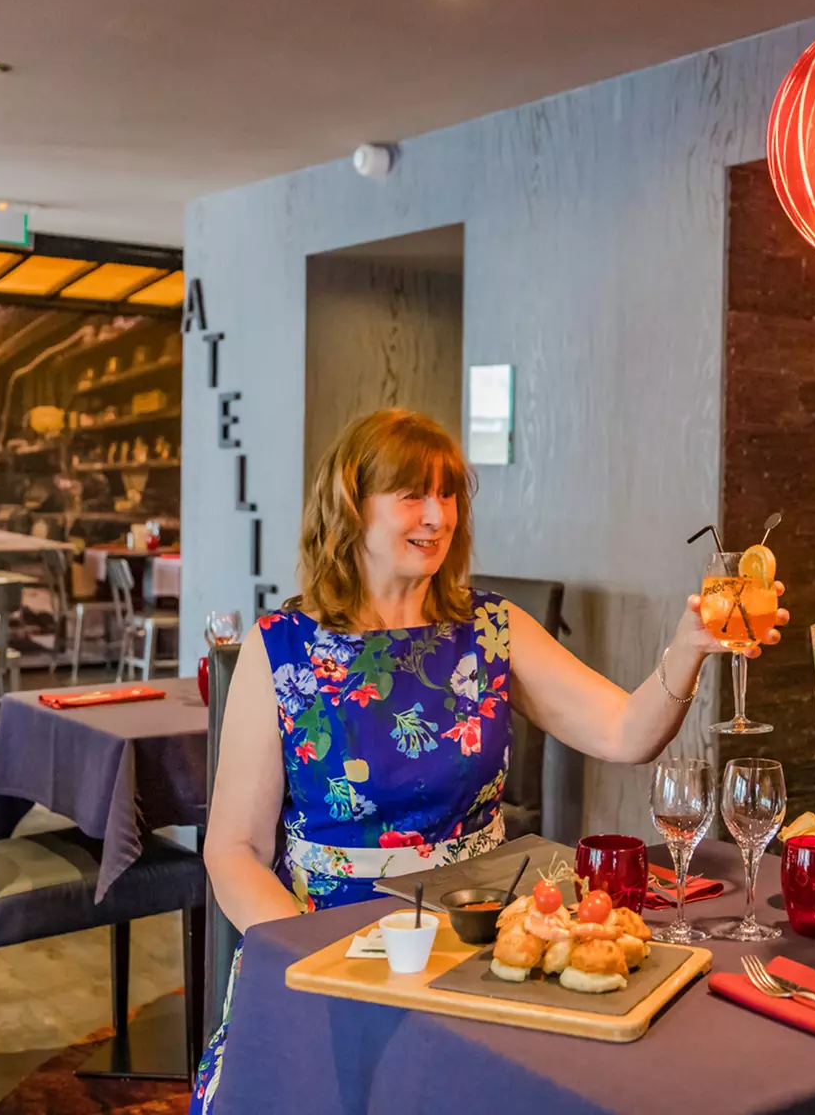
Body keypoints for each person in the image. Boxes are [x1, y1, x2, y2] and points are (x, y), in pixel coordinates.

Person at [189, 408, 784, 1111]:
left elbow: (626, 733)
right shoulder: (280, 645)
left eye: (449, 496)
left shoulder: (493, 627)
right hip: (329, 940)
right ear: (350, 507)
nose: (436, 516)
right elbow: (233, 848)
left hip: (484, 935)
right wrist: (306, 951)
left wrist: (687, 652)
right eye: (412, 494)